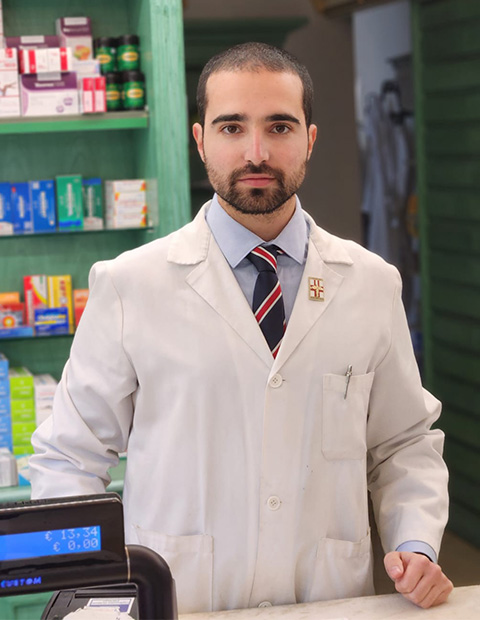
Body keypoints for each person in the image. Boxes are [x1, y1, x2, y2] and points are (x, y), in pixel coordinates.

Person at [30, 42, 453, 614]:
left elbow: (403, 444)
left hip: (327, 601)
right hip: (178, 601)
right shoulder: (130, 285)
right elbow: (68, 460)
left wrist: (416, 543)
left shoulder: (371, 283)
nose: (257, 152)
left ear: (310, 139)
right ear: (201, 140)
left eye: (279, 126)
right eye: (232, 127)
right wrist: (96, 593)